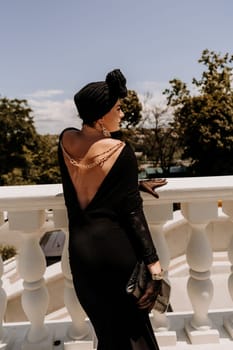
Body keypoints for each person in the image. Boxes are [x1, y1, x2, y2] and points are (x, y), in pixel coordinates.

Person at [58, 69, 163, 350]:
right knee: (134, 337)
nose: (121, 113)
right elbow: (132, 213)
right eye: (117, 107)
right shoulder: (119, 150)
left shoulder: (65, 140)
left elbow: (88, 177)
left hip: (81, 259)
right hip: (116, 258)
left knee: (108, 335)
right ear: (102, 113)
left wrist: (132, 183)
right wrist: (154, 265)